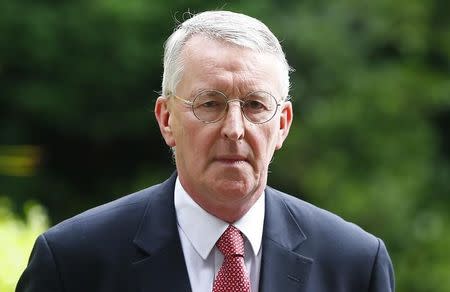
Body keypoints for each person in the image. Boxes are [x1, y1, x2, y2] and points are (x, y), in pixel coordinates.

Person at [16, 10, 395, 292]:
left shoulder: (354, 265)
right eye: (209, 104)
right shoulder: (74, 263)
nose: (234, 129)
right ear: (167, 120)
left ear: (282, 125)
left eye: (255, 105)